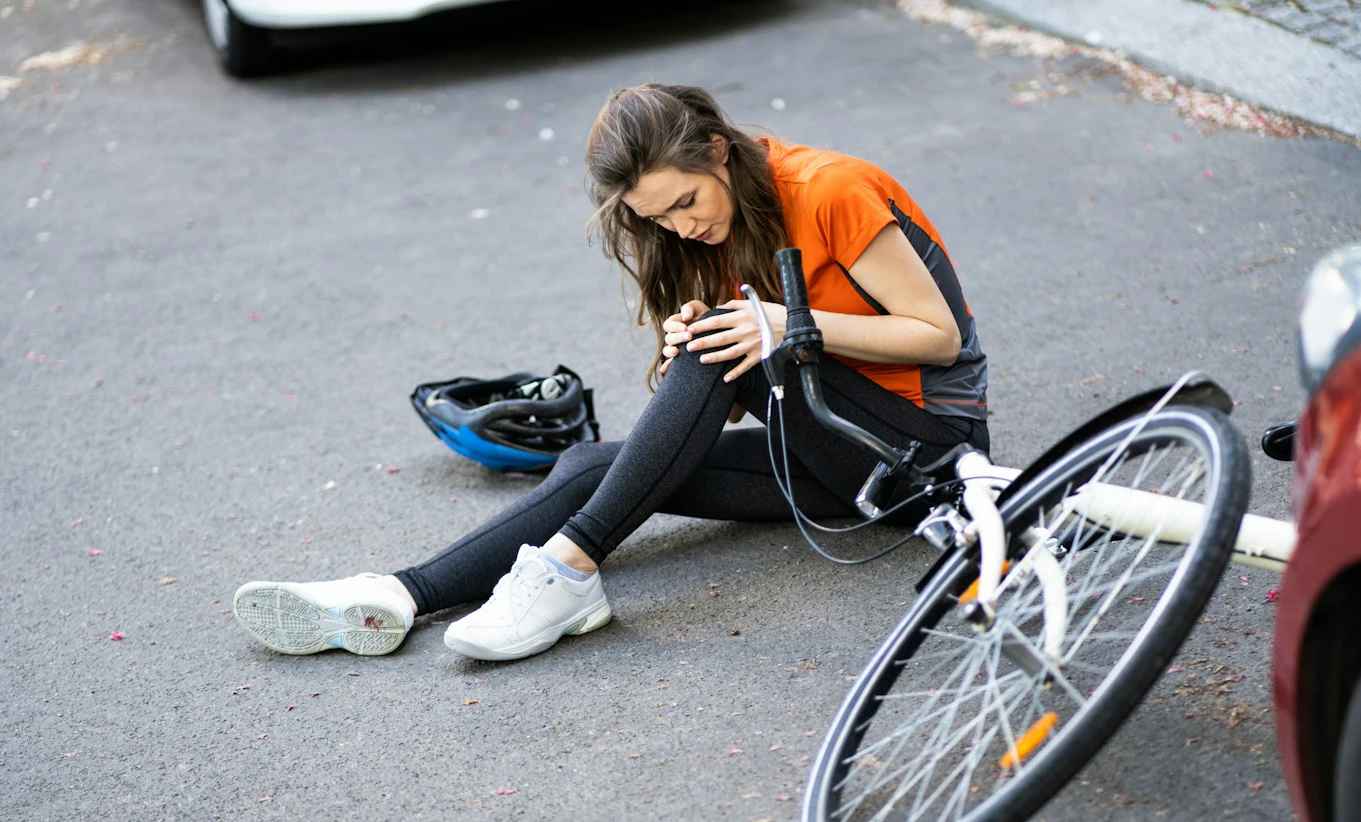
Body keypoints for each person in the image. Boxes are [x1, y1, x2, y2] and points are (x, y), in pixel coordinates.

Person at [232, 83, 990, 662]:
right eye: (659, 219)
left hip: (926, 456)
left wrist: (775, 326)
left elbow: (938, 336)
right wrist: (696, 337)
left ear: (720, 150)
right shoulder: (713, 227)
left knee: (730, 346)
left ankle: (567, 570)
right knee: (594, 462)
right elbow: (726, 404)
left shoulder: (829, 189)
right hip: (831, 461)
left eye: (686, 202)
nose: (682, 227)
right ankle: (399, 594)